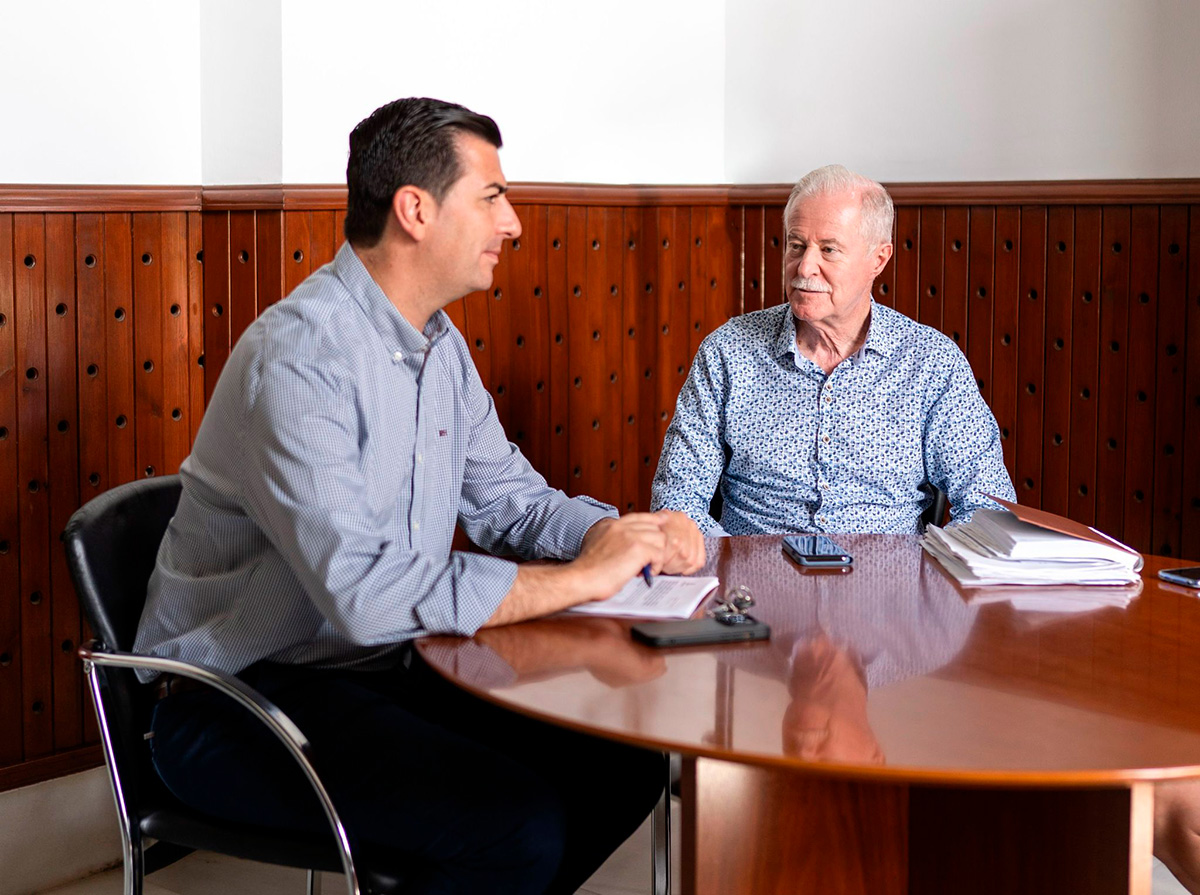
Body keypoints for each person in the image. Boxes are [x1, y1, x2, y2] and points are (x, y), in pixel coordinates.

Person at [133, 97, 704, 895]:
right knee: (517, 827)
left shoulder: (441, 346)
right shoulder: (297, 357)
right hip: (238, 700)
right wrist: (581, 579)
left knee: (621, 767)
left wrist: (632, 535)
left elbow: (511, 502)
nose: (512, 225)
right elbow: (364, 595)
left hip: (383, 669)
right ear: (415, 210)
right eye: (494, 197)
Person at [650, 164, 1016, 535]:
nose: (805, 266)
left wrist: (927, 575)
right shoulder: (728, 352)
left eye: (829, 249)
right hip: (754, 586)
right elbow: (676, 501)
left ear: (879, 259)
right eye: (796, 245)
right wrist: (738, 565)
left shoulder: (931, 363)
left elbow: (989, 509)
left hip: (889, 587)